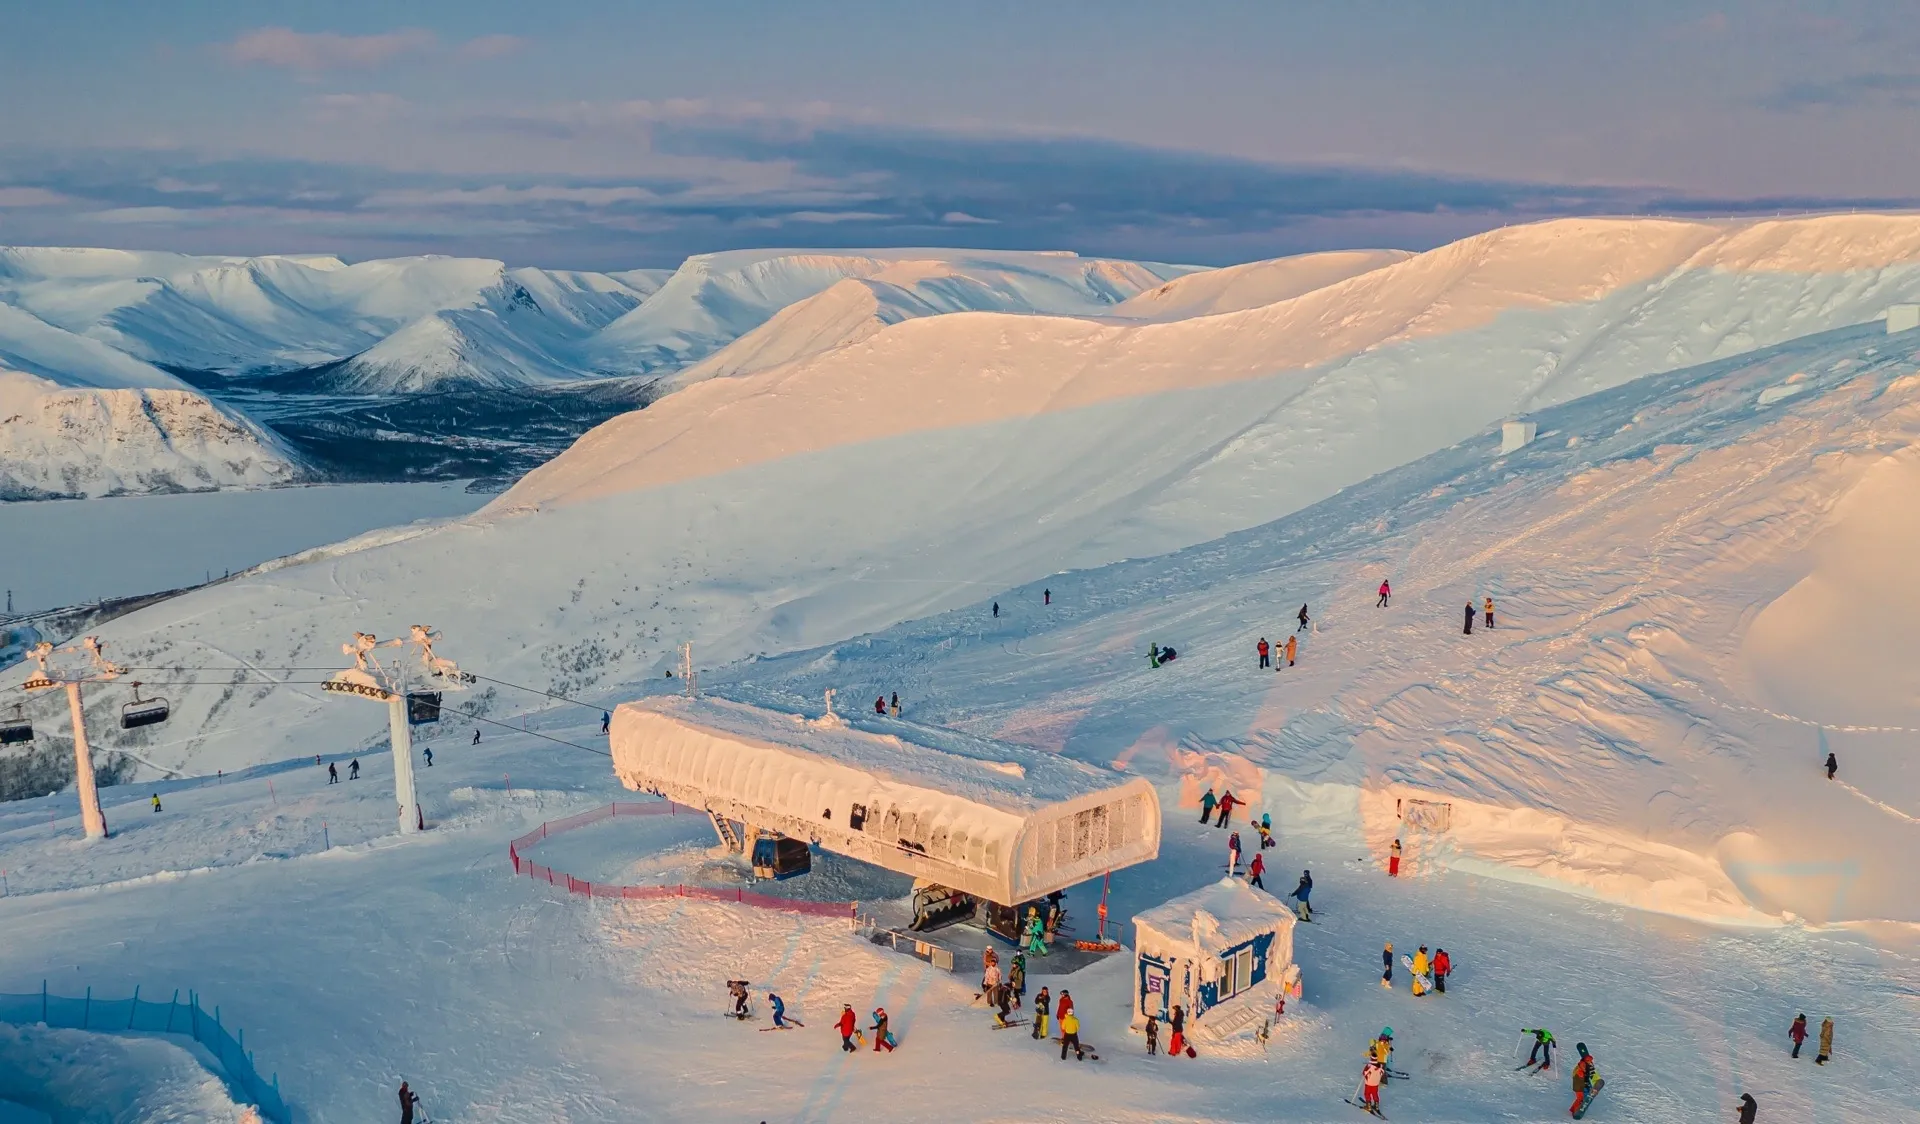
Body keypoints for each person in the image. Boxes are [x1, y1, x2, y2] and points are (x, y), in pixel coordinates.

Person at [1569, 1042, 1599, 1116]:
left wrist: (1597, 1081)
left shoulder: (1588, 1064)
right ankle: (1575, 1111)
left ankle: (1573, 1109)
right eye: (1588, 1061)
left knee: (1583, 1096)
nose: (1590, 1063)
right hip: (1578, 1082)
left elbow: (1592, 1073)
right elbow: (1584, 1071)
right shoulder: (1582, 1065)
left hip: (1583, 1081)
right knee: (1580, 1098)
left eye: (1590, 1061)